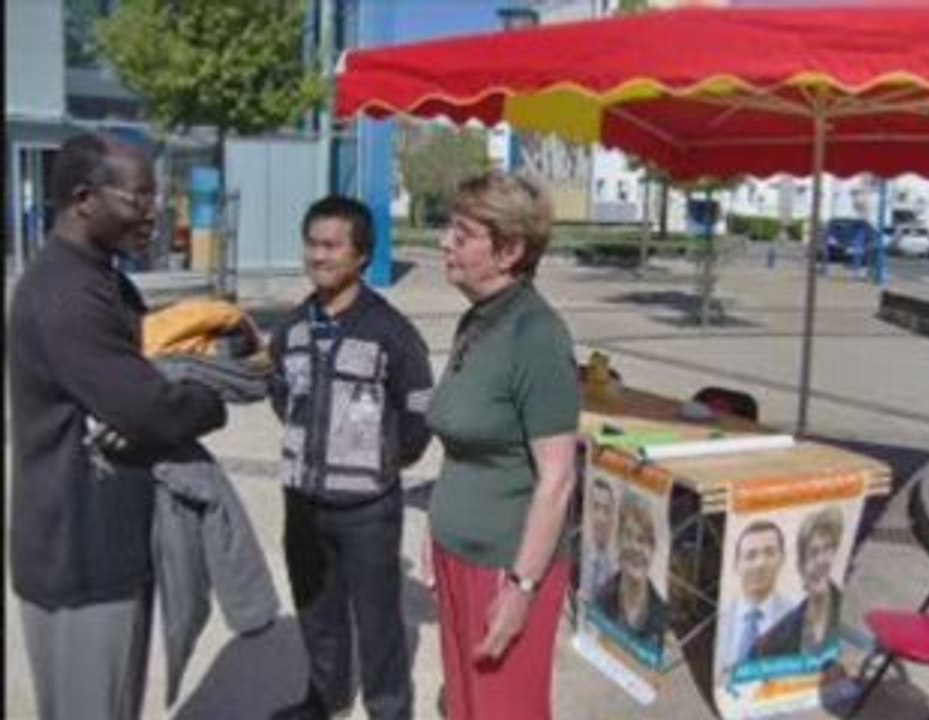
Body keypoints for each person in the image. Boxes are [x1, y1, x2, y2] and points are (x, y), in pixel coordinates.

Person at [8, 133, 227, 720]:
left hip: (108, 540)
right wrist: (213, 396)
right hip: (78, 556)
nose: (154, 213)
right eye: (139, 198)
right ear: (84, 198)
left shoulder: (103, 277)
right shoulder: (66, 295)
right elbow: (150, 410)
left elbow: (149, 362)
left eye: (156, 196)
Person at [423, 170, 580, 720]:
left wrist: (522, 587)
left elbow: (558, 479)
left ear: (510, 249)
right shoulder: (476, 321)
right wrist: (436, 529)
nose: (445, 243)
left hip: (506, 563)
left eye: (462, 234)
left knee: (502, 708)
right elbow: (464, 443)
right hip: (456, 551)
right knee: (466, 701)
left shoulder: (535, 335)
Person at [268, 196, 433, 720]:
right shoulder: (292, 326)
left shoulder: (391, 330)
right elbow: (280, 391)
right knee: (316, 611)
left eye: (331, 245)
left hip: (367, 508)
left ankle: (388, 709)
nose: (318, 256)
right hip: (303, 502)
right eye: (312, 244)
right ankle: (326, 700)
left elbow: (418, 407)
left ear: (361, 255)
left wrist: (389, 457)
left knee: (378, 619)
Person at [752, 507, 845, 658]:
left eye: (828, 549)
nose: (821, 561)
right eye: (813, 553)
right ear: (801, 567)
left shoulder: (841, 605)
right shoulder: (778, 636)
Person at [594, 490, 668, 652]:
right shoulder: (600, 599)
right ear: (618, 542)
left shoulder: (661, 613)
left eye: (643, 540)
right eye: (628, 536)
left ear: (653, 549)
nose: (636, 548)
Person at [716, 520, 791, 673]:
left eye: (769, 553)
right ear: (737, 564)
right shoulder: (719, 620)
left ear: (782, 558)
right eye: (750, 556)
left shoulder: (796, 617)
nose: (760, 564)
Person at [582, 477, 618, 596]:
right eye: (596, 507)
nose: (601, 518)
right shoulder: (579, 558)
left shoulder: (617, 567)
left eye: (607, 510)